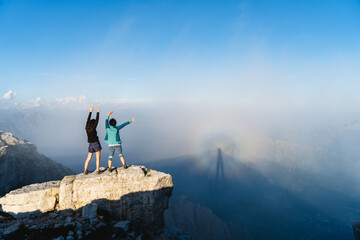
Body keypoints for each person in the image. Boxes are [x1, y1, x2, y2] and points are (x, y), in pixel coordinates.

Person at [84, 105, 101, 174]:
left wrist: (90, 111)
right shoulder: (93, 128)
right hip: (96, 143)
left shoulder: (86, 128)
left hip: (90, 144)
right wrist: (98, 112)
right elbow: (97, 121)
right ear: (94, 124)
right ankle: (97, 170)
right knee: (98, 157)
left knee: (88, 158)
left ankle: (85, 170)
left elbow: (87, 120)